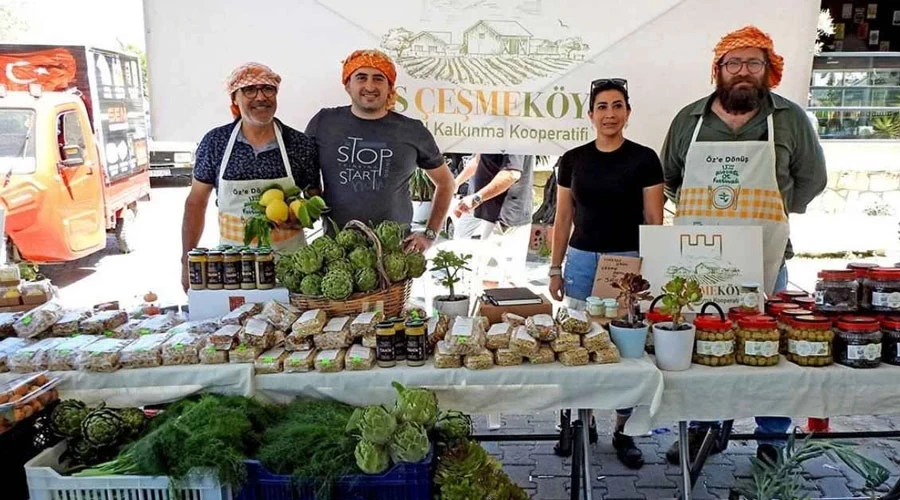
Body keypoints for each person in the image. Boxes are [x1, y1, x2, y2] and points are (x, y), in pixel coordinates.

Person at [660, 26, 827, 465]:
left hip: (767, 260)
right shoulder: (690, 120)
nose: (743, 72)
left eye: (754, 63)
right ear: (719, 70)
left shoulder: (789, 119)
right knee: (700, 352)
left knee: (770, 349)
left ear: (769, 70)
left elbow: (812, 180)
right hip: (699, 263)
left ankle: (772, 438)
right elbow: (670, 178)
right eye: (733, 63)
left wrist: (776, 213)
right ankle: (699, 429)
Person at [548, 78, 665, 469]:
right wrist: (555, 268)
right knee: (576, 343)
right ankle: (579, 422)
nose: (610, 114)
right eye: (602, 106)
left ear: (628, 113)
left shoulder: (645, 159)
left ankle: (624, 429)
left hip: (626, 263)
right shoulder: (573, 159)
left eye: (617, 106)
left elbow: (653, 218)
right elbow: (563, 218)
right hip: (581, 261)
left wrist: (654, 268)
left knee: (625, 349)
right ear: (591, 114)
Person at [181, 62, 320, 290]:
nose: (260, 97)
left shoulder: (299, 144)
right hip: (233, 269)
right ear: (234, 98)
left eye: (268, 89)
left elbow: (316, 198)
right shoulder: (215, 143)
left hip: (293, 268)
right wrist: (186, 261)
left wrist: (303, 217)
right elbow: (196, 203)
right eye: (249, 90)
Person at [305, 49, 455, 252]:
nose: (369, 86)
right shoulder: (324, 123)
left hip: (395, 254)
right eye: (361, 77)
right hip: (336, 252)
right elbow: (307, 174)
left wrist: (430, 234)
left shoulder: (412, 130)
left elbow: (446, 182)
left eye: (378, 79)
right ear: (348, 85)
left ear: (389, 86)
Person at [453, 153, 534, 289]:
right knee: (481, 273)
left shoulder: (513, 135)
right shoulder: (495, 135)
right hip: (486, 212)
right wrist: (455, 184)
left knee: (495, 281)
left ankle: (494, 309)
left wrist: (476, 198)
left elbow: (512, 173)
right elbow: (479, 159)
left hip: (505, 216)